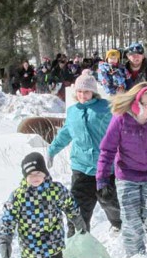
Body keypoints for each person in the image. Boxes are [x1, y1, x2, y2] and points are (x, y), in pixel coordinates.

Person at [96, 83, 147, 257]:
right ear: (136, 104)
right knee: (130, 220)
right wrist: (102, 179)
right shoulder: (121, 119)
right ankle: (135, 256)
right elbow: (107, 149)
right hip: (127, 175)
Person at [0, 152, 87, 258]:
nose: (35, 177)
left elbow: (69, 205)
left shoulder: (56, 190)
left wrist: (77, 219)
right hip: (29, 246)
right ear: (24, 176)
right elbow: (8, 218)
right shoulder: (18, 196)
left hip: (52, 242)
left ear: (45, 173)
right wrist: (5, 239)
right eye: (31, 174)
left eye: (38, 173)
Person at [48, 70, 122, 237]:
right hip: (81, 167)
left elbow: (121, 129)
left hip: (105, 168)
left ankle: (119, 224)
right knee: (77, 208)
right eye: (80, 91)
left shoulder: (107, 108)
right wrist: (52, 150)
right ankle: (78, 239)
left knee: (110, 202)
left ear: (93, 92)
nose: (83, 95)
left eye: (86, 91)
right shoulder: (73, 111)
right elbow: (66, 132)